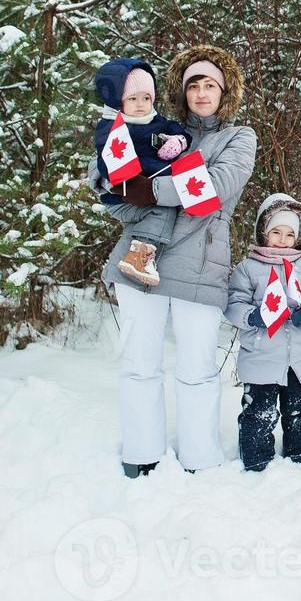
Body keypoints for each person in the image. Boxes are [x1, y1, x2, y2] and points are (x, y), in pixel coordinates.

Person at [88, 44, 256, 477]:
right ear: (182, 93)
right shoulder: (157, 130)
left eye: (210, 85)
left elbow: (214, 188)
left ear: (225, 91)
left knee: (198, 369)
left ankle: (200, 458)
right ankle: (142, 453)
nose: (201, 93)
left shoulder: (238, 138)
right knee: (139, 364)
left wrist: (151, 190)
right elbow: (117, 182)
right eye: (193, 85)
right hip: (141, 259)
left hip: (201, 266)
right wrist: (110, 181)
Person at [225, 194, 301, 472]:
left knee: (299, 408)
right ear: (264, 232)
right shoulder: (248, 268)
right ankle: (256, 457)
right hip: (261, 353)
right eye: (276, 232)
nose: (283, 240)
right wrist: (253, 316)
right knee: (259, 410)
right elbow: (234, 303)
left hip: (298, 356)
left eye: (289, 234)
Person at [91, 57, 190, 287]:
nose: (140, 104)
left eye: (146, 98)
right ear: (118, 101)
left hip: (150, 187)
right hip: (122, 196)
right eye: (132, 99)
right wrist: (121, 179)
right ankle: (139, 255)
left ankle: (142, 253)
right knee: (162, 212)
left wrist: (178, 141)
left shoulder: (154, 119)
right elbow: (105, 160)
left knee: (163, 209)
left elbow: (176, 128)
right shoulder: (112, 127)